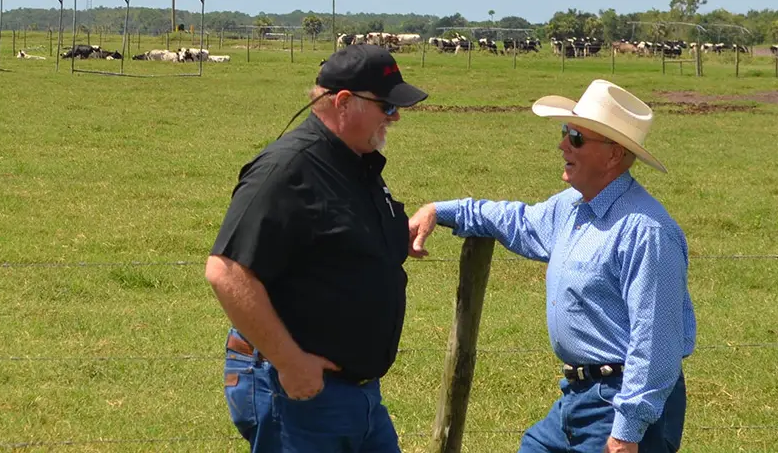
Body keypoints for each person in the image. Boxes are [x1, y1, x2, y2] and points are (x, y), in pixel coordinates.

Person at [408, 79, 695, 453]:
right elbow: (518, 221)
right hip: (579, 398)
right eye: (565, 132)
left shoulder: (645, 231)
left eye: (576, 137)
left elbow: (656, 341)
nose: (562, 144)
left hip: (622, 404)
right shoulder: (573, 208)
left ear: (612, 155)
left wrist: (627, 431)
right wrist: (441, 210)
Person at [206, 44, 430, 452]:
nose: (395, 117)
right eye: (386, 106)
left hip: (357, 394)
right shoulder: (287, 170)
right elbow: (227, 271)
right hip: (298, 392)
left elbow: (340, 234)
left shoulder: (356, 161)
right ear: (343, 102)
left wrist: (399, 235)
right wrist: (291, 364)